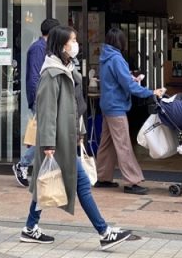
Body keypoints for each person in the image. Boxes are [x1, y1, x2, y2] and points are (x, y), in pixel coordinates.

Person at [21, 25, 135, 251]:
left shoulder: (68, 70)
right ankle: (104, 232)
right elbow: (47, 113)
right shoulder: (51, 75)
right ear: (61, 45)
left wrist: (80, 132)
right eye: (72, 41)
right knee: (80, 184)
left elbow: (74, 107)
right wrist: (49, 144)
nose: (76, 45)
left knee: (46, 182)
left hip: (66, 138)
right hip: (57, 142)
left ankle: (30, 227)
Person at [94, 28, 165, 194]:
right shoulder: (117, 59)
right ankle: (131, 181)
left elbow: (116, 80)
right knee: (123, 144)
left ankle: (103, 178)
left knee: (106, 144)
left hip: (107, 105)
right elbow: (129, 86)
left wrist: (130, 77)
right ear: (121, 42)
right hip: (116, 107)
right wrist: (151, 92)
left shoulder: (104, 57)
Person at [13, 17, 60, 188]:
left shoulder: (48, 48)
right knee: (44, 136)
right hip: (41, 99)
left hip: (47, 98)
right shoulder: (38, 48)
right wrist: (38, 100)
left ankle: (34, 167)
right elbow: (34, 78)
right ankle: (23, 164)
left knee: (46, 135)